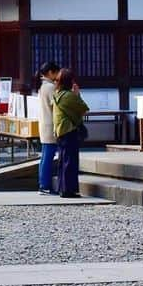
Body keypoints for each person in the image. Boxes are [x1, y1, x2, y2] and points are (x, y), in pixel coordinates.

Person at [53, 68, 88, 199]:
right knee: (71, 161)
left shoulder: (57, 94)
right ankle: (69, 189)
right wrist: (77, 94)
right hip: (69, 130)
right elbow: (84, 109)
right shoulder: (68, 96)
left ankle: (62, 188)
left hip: (59, 131)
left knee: (63, 161)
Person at [35, 61, 60, 194]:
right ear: (50, 72)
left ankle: (43, 184)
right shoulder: (50, 87)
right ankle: (45, 185)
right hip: (50, 125)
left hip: (45, 124)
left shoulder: (43, 86)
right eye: (56, 72)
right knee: (48, 156)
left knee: (45, 156)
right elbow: (56, 105)